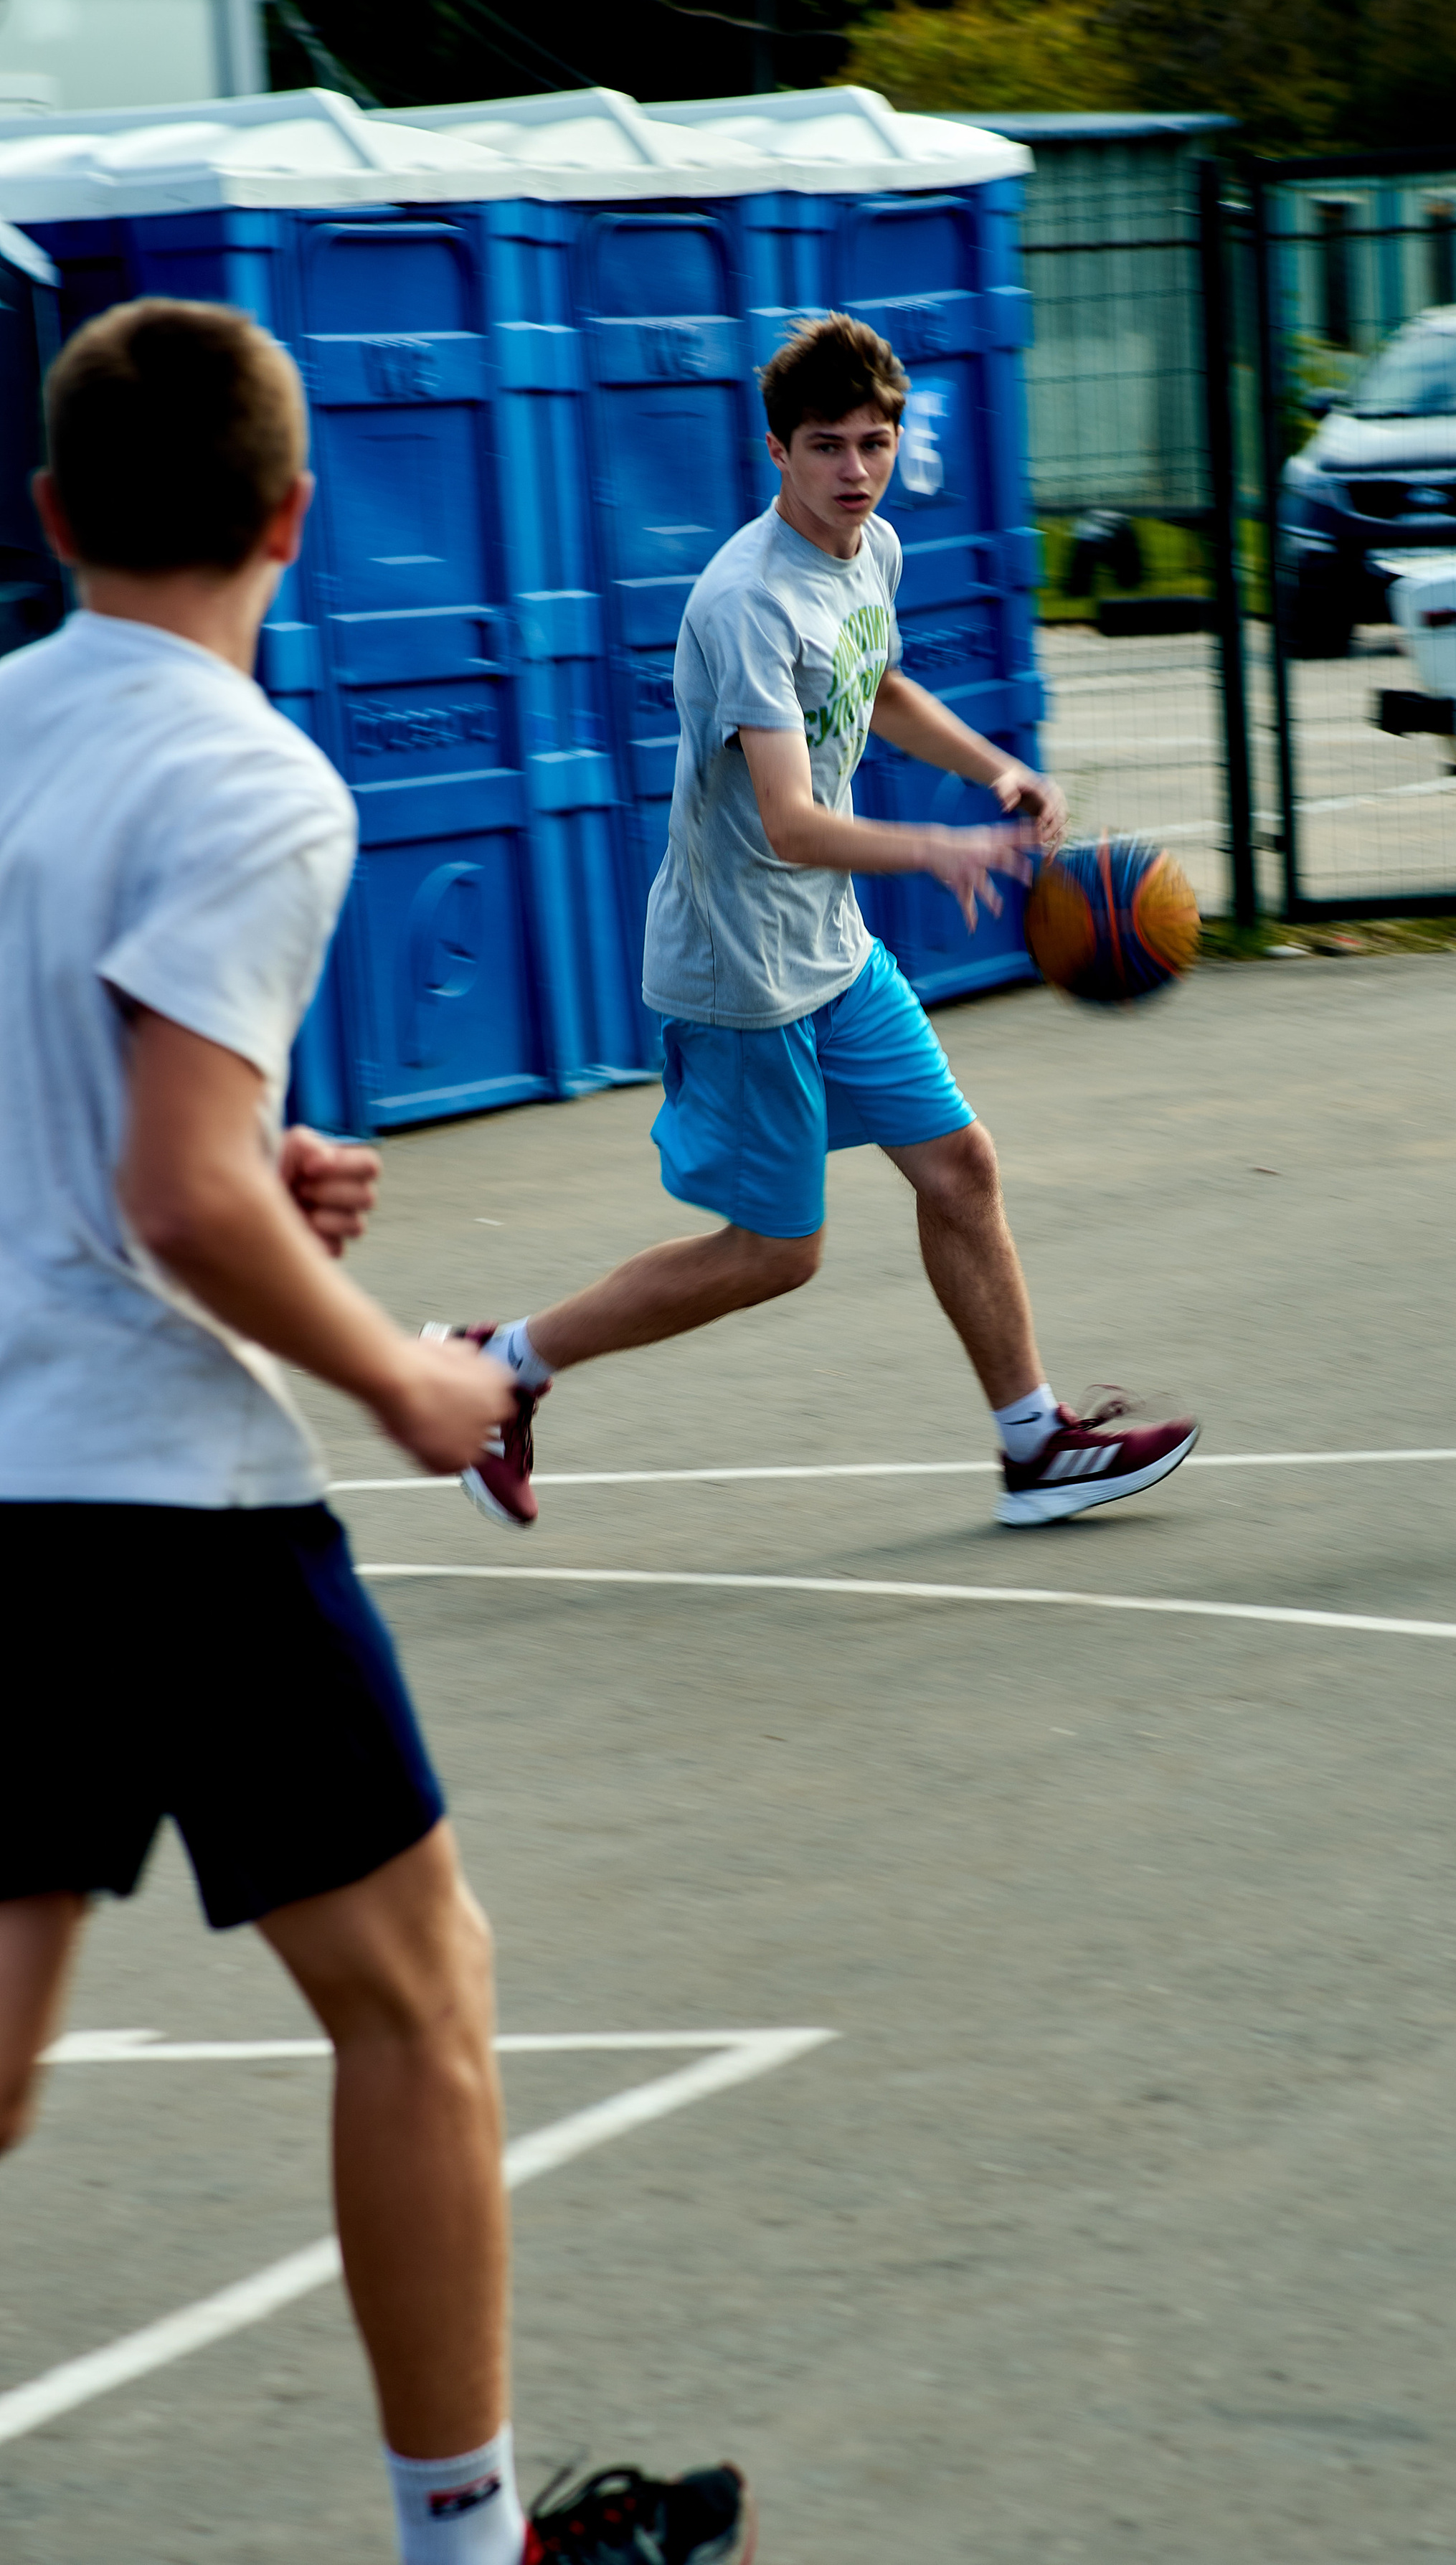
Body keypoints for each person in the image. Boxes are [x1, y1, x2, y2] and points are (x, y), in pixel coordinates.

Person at [0, 299, 755, 2565]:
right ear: (297, 520)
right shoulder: (252, 775)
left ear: (49, 517)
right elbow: (165, 1189)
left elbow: (144, 1135)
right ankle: (465, 2545)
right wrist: (404, 1368)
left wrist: (260, 1151)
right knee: (420, 1999)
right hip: (149, 1486)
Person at [429, 314, 1198, 1534]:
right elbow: (789, 819)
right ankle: (498, 1362)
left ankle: (1033, 1444)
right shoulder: (743, 602)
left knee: (960, 1164)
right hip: (742, 972)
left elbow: (874, 682)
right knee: (776, 1253)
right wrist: (937, 847)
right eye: (828, 446)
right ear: (775, 450)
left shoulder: (869, 549)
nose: (855, 470)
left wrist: (995, 769)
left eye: (875, 443)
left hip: (829, 949)